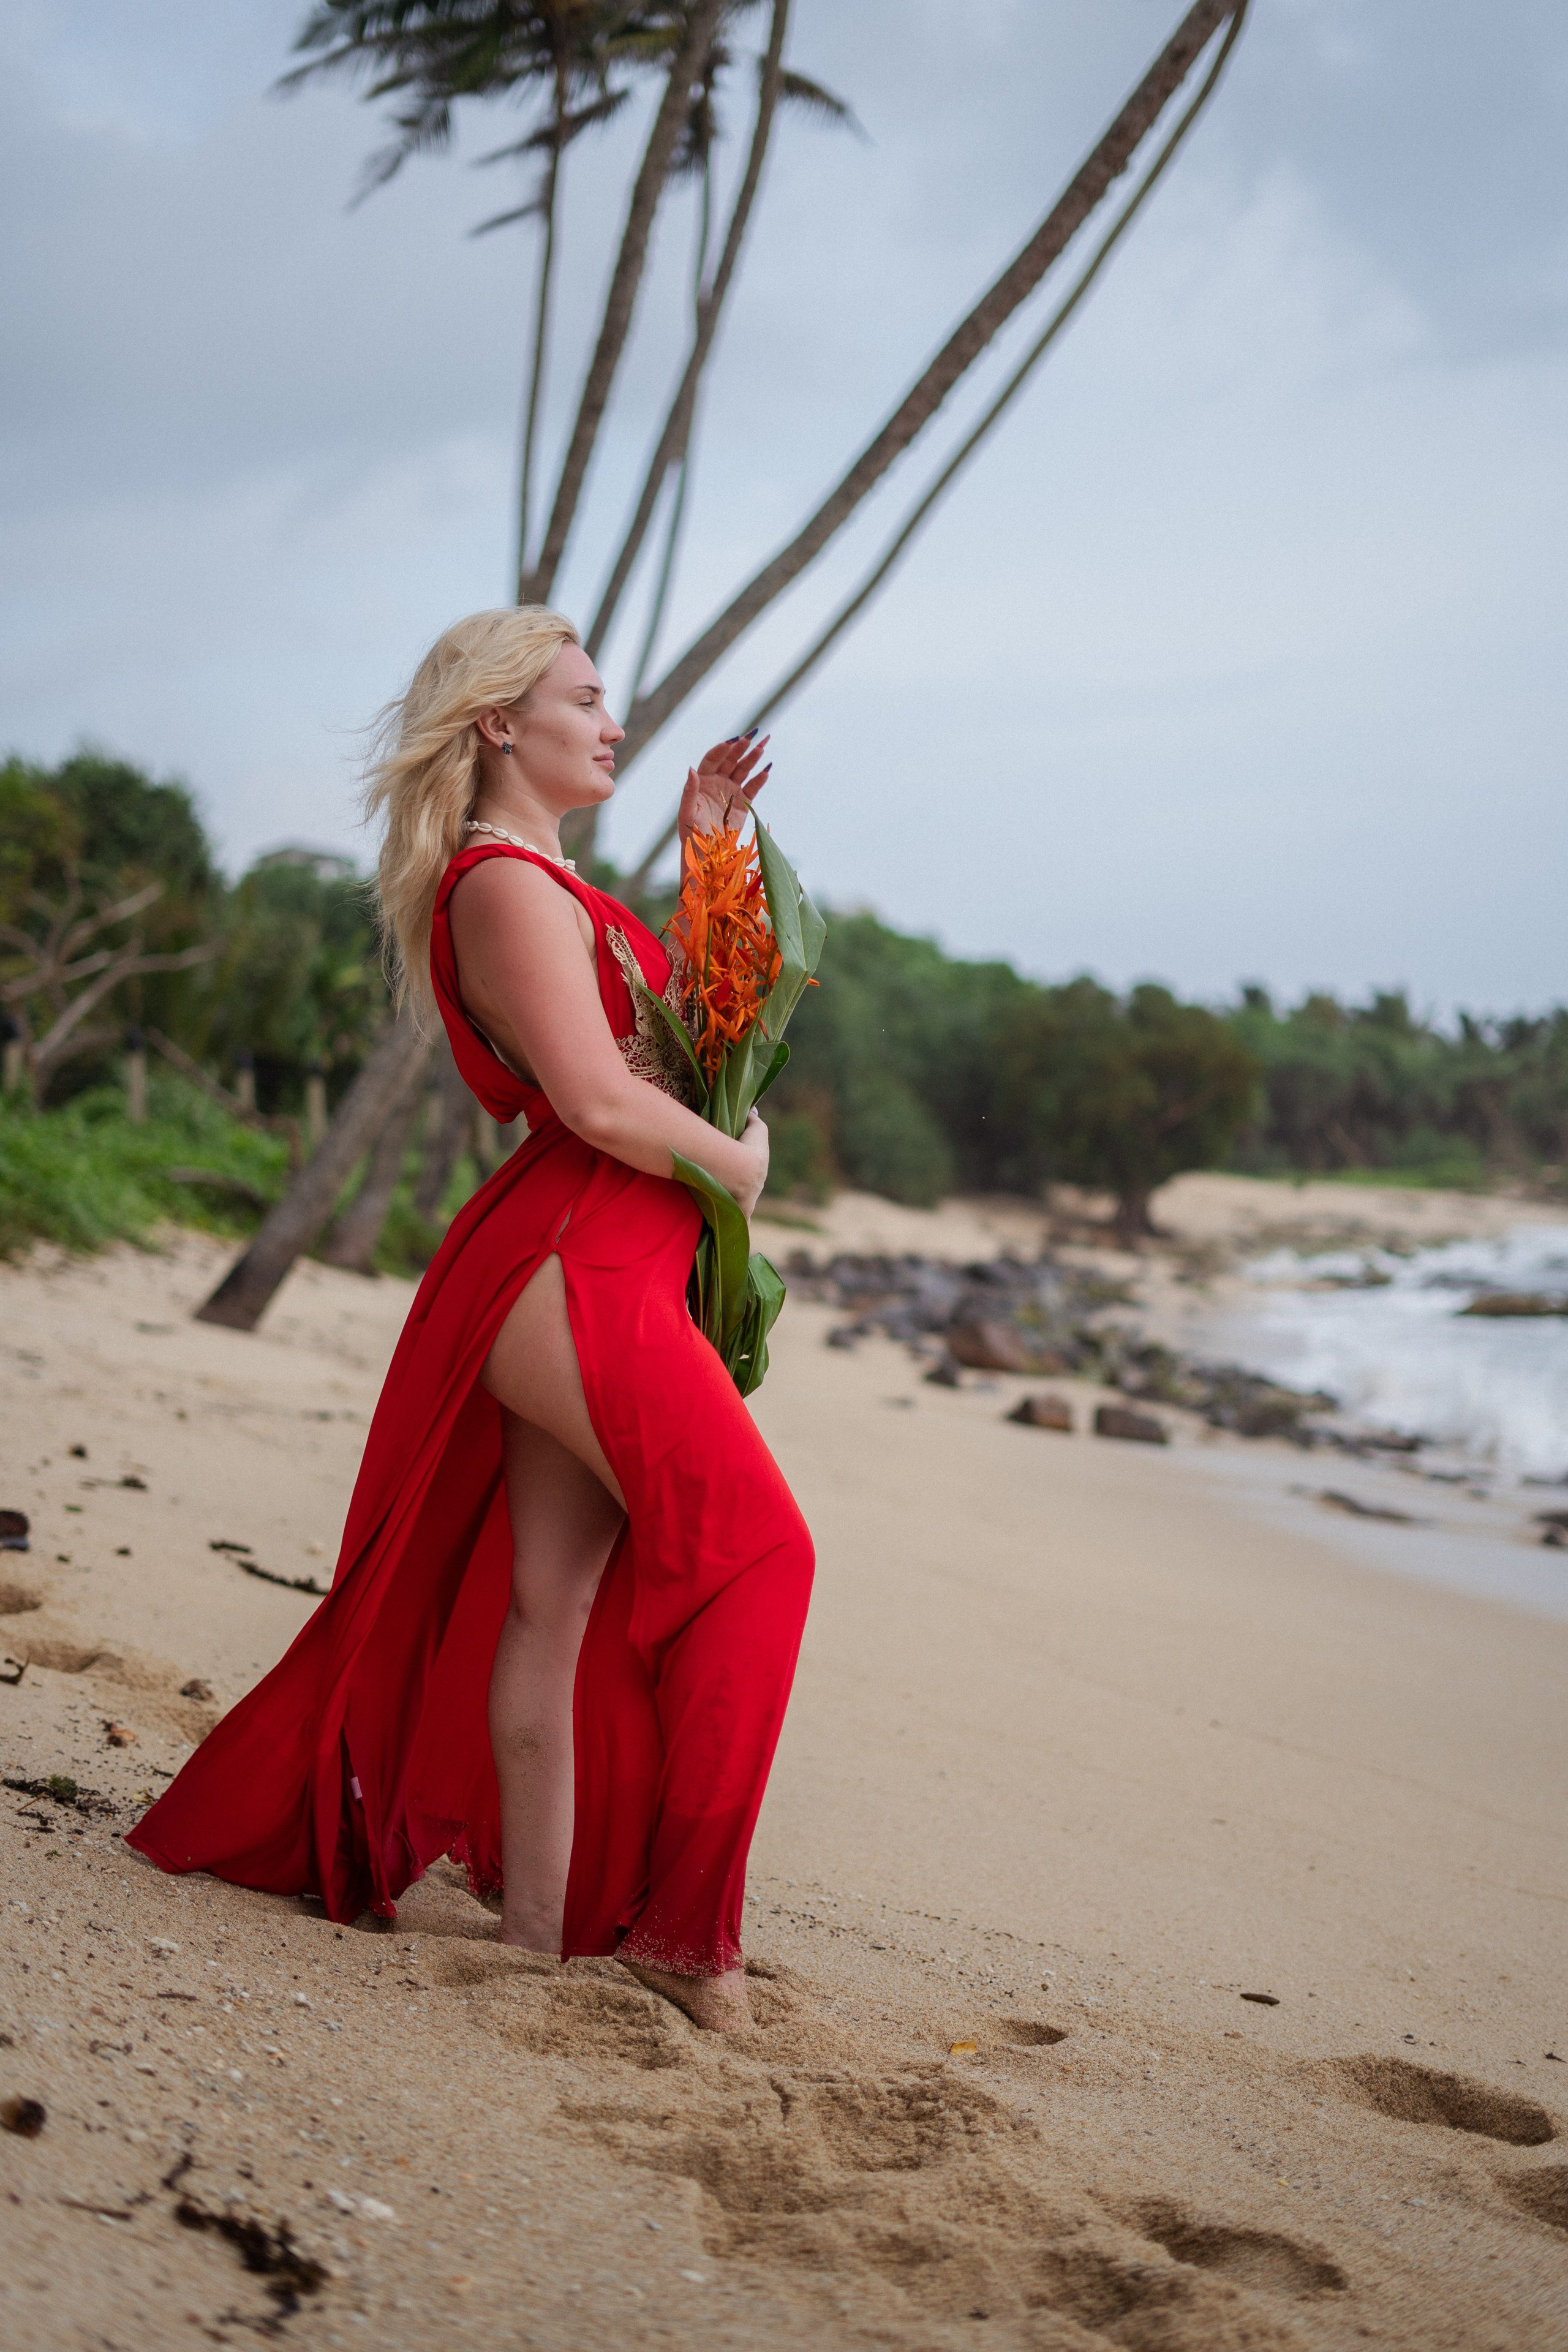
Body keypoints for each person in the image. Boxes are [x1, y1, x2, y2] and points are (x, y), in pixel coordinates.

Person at [128, 606, 815, 2033]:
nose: (611, 721)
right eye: (584, 697)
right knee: (761, 1555)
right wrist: (742, 1168)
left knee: (552, 1606)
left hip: (598, 1252)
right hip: (573, 1261)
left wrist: (707, 850)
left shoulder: (560, 888)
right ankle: (687, 1937)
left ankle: (540, 1930)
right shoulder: (501, 885)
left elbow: (696, 1037)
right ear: (500, 724)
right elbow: (602, 1103)